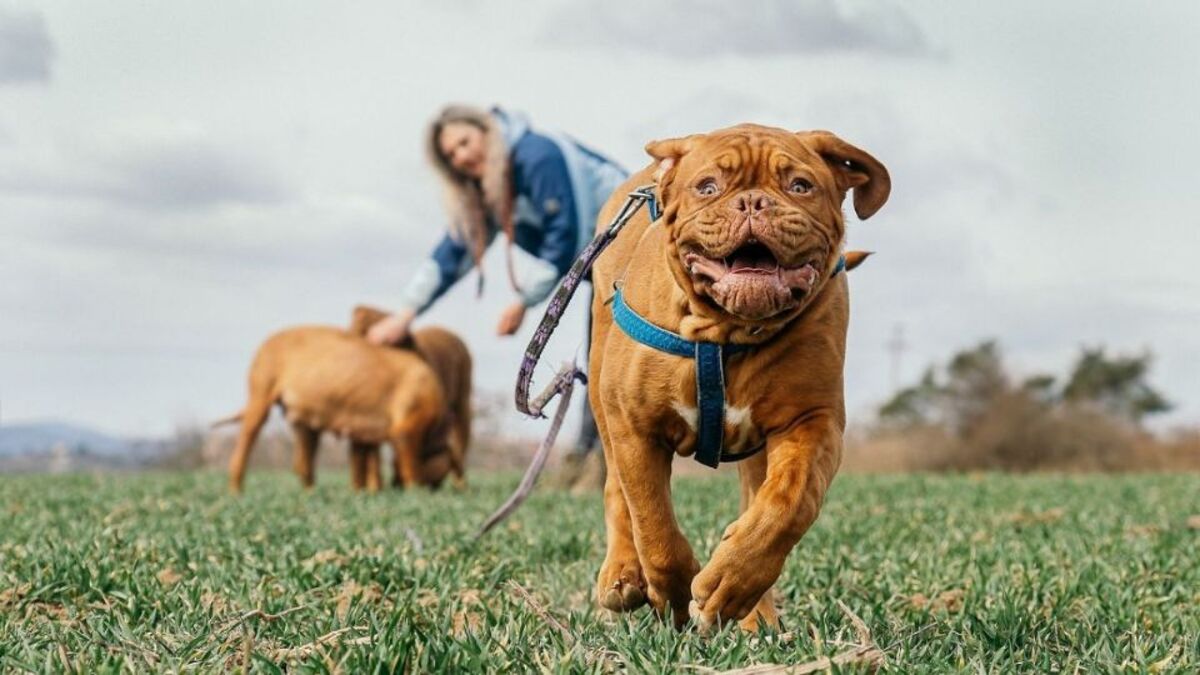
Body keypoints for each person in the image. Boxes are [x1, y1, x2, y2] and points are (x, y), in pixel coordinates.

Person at [367, 104, 627, 473]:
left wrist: (523, 303)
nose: (460, 157)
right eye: (450, 155)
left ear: (487, 132)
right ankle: (589, 460)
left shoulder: (537, 156)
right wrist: (404, 314)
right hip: (602, 271)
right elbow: (453, 251)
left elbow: (565, 232)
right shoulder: (491, 189)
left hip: (636, 253)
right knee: (603, 360)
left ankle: (595, 461)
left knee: (611, 362)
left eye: (464, 142)